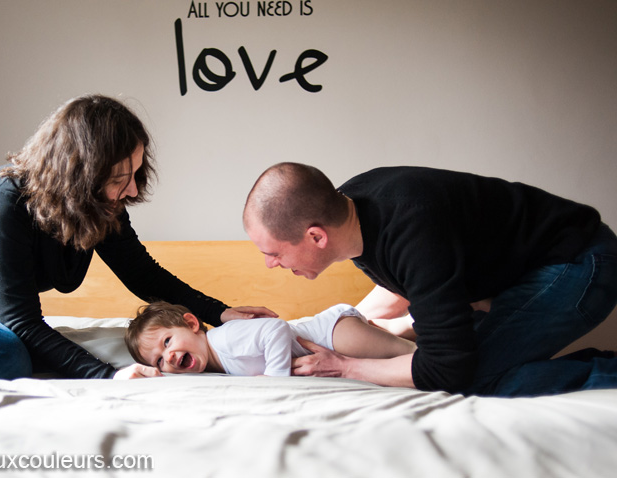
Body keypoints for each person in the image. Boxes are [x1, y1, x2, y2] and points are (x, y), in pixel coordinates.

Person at [0, 95, 274, 381]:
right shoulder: (2, 201)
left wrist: (222, 313)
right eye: (121, 178)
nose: (134, 191)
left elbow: (144, 276)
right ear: (81, 173)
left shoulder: (98, 207)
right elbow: (21, 321)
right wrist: (107, 377)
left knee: (13, 352)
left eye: (136, 174)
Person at [243, 162, 617, 397]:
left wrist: (345, 366)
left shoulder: (415, 231)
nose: (269, 265)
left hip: (580, 262)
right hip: (521, 274)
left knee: (470, 381)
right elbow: (401, 284)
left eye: (273, 252)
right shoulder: (351, 212)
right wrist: (328, 330)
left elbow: (448, 368)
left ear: (315, 236)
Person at [125, 301, 416, 376]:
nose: (170, 357)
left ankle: (440, 331)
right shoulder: (214, 363)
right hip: (333, 336)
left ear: (191, 324)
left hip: (333, 335)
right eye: (160, 361)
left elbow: (276, 329)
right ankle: (407, 323)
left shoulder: (224, 340)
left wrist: (277, 377)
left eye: (167, 343)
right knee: (392, 337)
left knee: (406, 353)